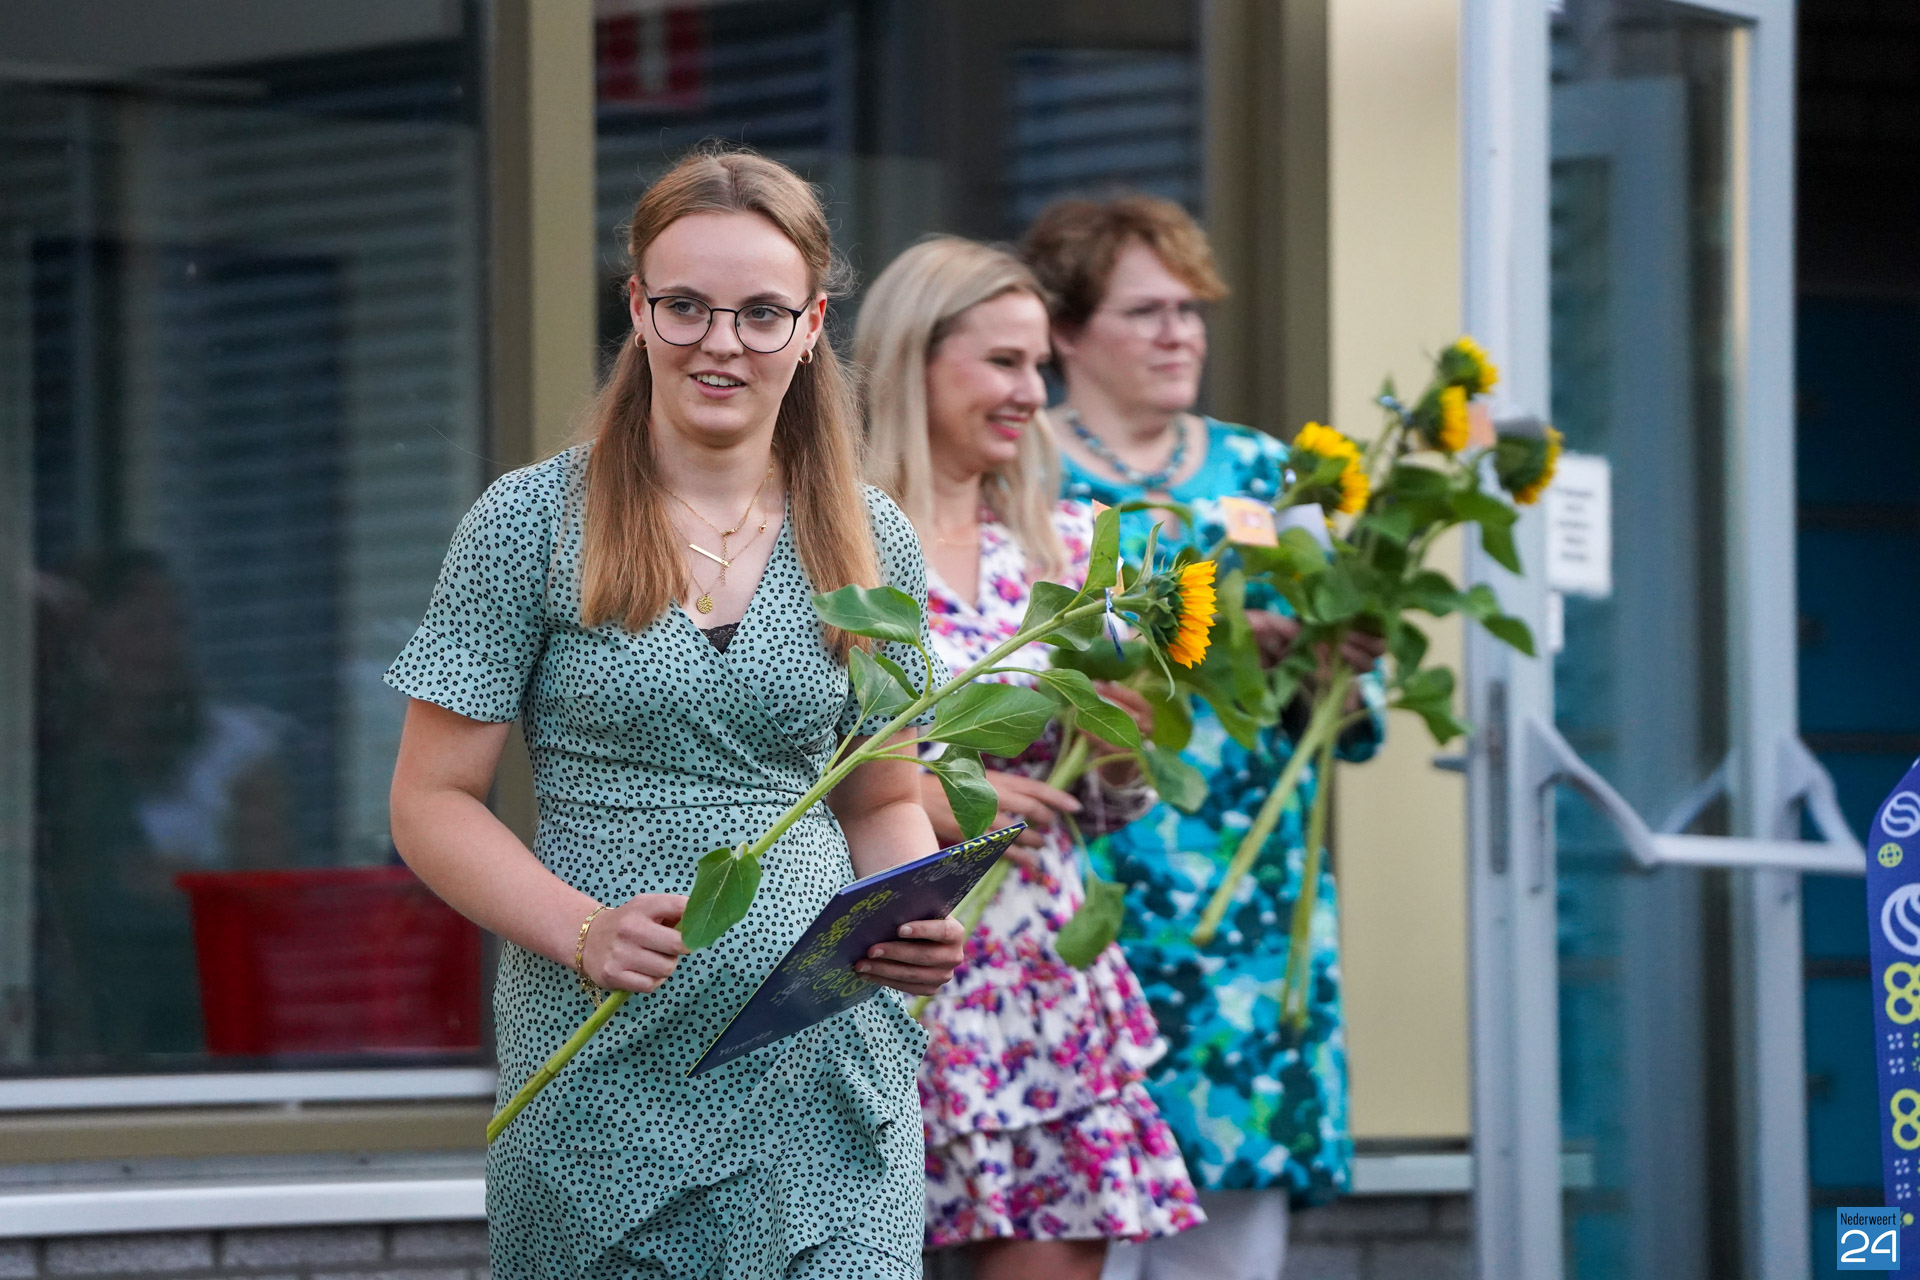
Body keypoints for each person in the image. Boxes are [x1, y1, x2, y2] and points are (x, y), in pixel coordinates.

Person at [385, 147, 967, 1280]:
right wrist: (582, 931)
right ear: (638, 308)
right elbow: (430, 801)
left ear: (812, 327)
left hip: (824, 1071)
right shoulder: (528, 522)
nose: (721, 342)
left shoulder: (870, 538)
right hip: (604, 1074)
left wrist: (909, 915)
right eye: (687, 306)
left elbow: (882, 798)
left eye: (762, 313)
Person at [1020, 196, 1387, 1280]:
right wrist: (1190, 641)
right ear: (1066, 330)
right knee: (1076, 1199)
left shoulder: (1269, 474)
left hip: (1248, 894)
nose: (1180, 334)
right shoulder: (1022, 469)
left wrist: (1330, 656)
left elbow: (1346, 711)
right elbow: (991, 660)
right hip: (1084, 877)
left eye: (1191, 310)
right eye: (1146, 311)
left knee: (1231, 1225)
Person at [858, 237, 1204, 1280]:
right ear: (914, 359)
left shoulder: (1060, 549)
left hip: (1036, 979)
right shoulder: (835, 548)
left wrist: (1117, 752)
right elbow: (782, 770)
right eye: (1003, 362)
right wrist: (949, 797)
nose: (1031, 393)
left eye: (1040, 365)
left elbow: (1102, 806)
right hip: (881, 970)